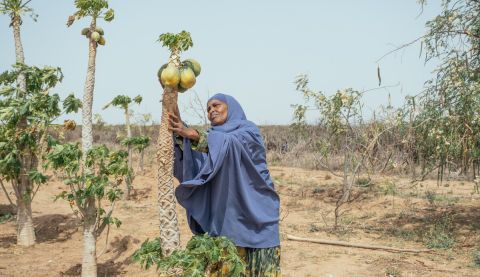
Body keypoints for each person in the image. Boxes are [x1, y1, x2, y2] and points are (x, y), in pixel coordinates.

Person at [169, 93, 281, 276]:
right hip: (228, 222)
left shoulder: (248, 131)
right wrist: (170, 95)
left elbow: (231, 144)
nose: (212, 110)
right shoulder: (213, 137)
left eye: (216, 105)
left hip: (259, 216)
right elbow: (199, 155)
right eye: (208, 109)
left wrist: (196, 136)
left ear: (231, 107)